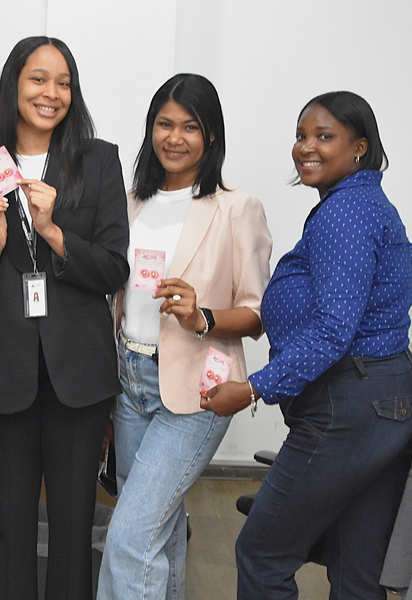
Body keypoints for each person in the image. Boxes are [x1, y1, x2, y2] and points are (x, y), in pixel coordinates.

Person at [202, 91, 412, 600]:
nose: (306, 147)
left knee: (262, 554)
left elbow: (334, 330)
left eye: (325, 136)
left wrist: (252, 388)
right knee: (355, 569)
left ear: (359, 147)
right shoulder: (363, 205)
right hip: (384, 400)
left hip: (348, 406)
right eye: (301, 135)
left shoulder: (346, 213)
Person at [0, 36, 129, 600]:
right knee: (7, 524)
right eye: (38, 79)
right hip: (8, 370)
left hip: (79, 371)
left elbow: (113, 269)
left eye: (63, 82)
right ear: (13, 85)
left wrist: (52, 231)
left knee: (74, 525)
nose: (52, 93)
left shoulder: (98, 161)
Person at [96, 73, 272, 600]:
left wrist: (204, 317)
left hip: (195, 389)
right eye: (164, 124)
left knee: (130, 536)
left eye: (190, 126)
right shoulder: (130, 202)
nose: (174, 137)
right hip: (131, 380)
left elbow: (258, 313)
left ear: (211, 136)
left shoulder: (237, 207)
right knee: (161, 530)